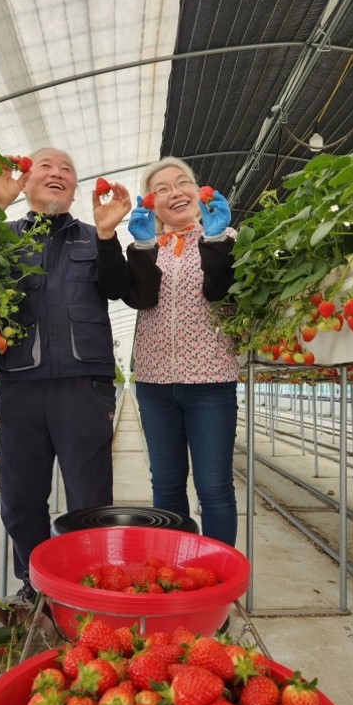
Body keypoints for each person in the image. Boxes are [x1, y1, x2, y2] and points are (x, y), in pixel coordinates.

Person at [0, 148, 131, 600]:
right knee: (19, 500)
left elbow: (117, 288)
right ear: (25, 182)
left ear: (74, 188)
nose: (57, 173)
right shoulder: (2, 238)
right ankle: (34, 586)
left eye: (66, 169)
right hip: (19, 382)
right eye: (45, 167)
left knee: (90, 498)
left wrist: (108, 235)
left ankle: (87, 588)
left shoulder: (93, 237)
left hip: (83, 385)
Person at [94, 156, 240, 547]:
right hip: (155, 385)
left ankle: (218, 576)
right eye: (161, 188)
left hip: (211, 383)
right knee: (167, 484)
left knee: (214, 487)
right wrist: (141, 248)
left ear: (197, 191)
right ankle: (174, 569)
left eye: (182, 183)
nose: (174, 192)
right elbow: (140, 298)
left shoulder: (227, 238)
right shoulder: (147, 247)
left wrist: (215, 242)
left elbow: (221, 292)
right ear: (152, 204)